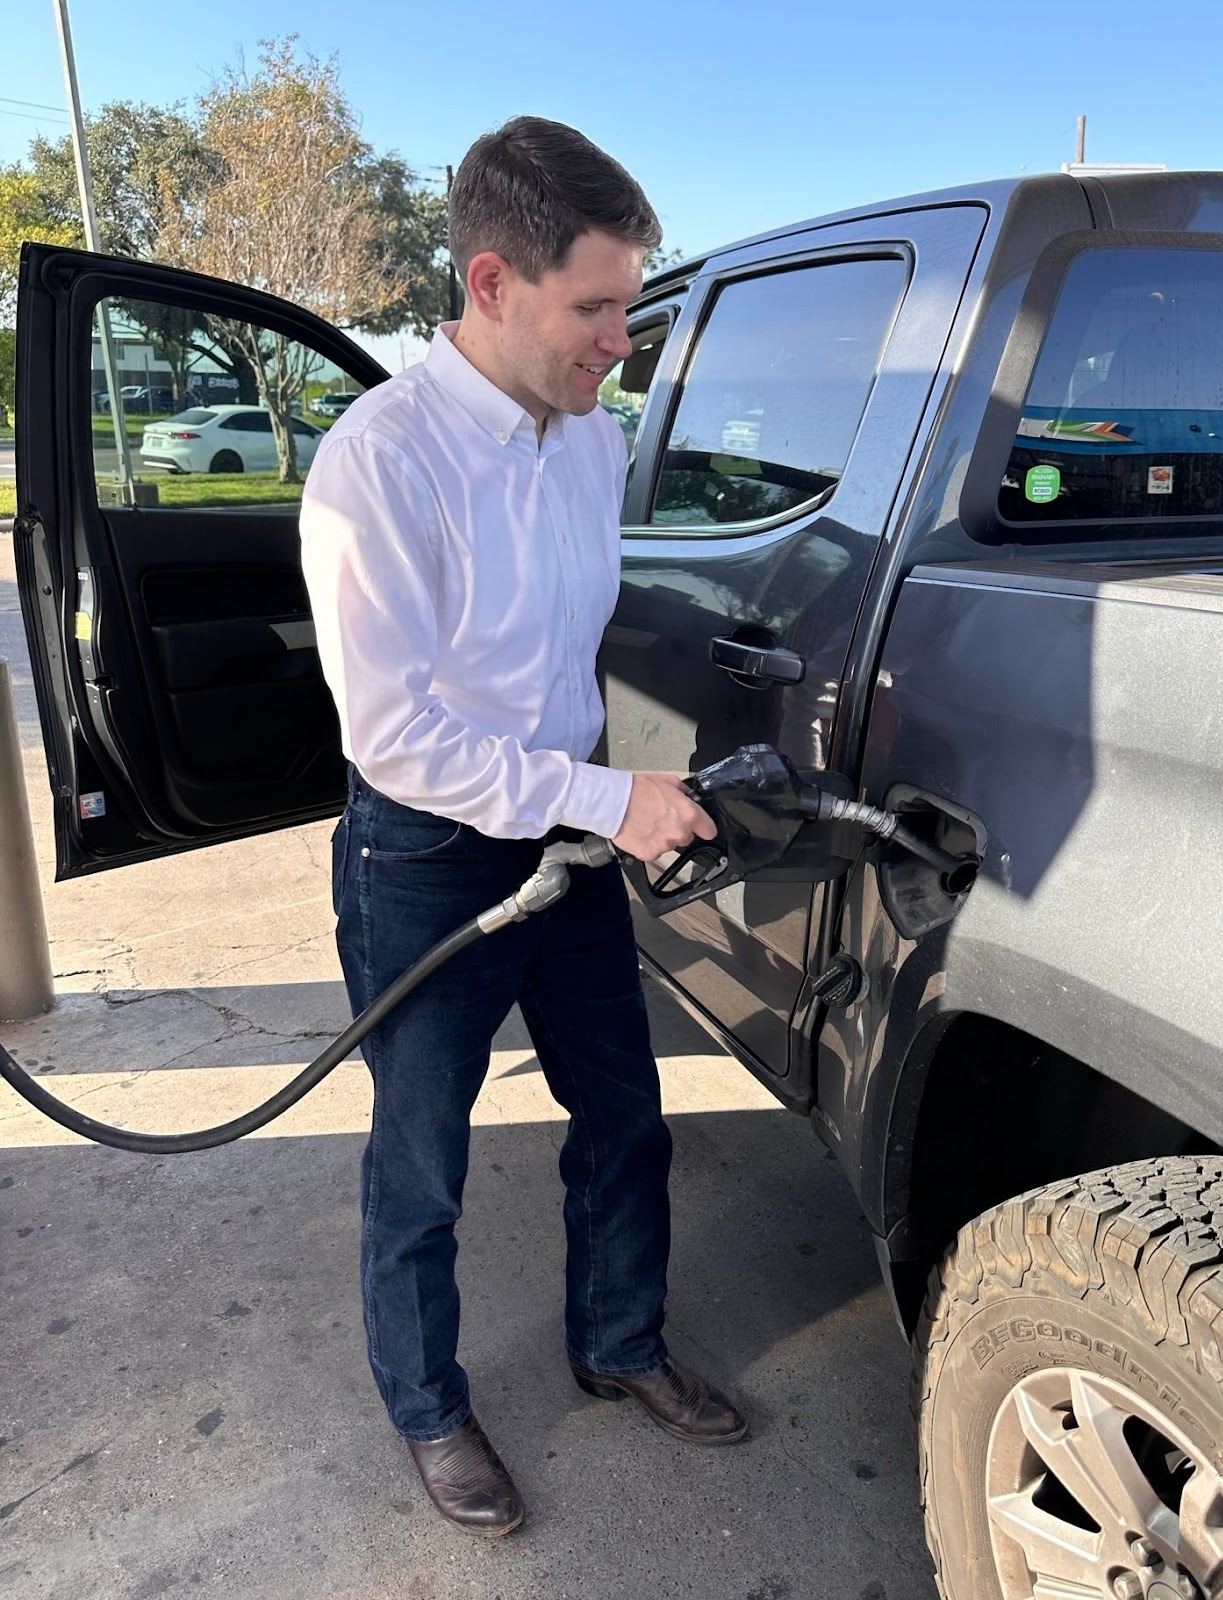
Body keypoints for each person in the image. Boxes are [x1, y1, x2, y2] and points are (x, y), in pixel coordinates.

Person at [299, 116, 748, 1539]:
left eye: (629, 304)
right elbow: (399, 737)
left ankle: (618, 1342)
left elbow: (569, 660)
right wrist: (613, 799)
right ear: (493, 284)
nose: (624, 337)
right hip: (425, 855)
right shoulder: (379, 465)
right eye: (596, 306)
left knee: (622, 1111)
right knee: (421, 1154)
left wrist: (608, 803)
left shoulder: (588, 447)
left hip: (566, 841)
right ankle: (427, 1408)